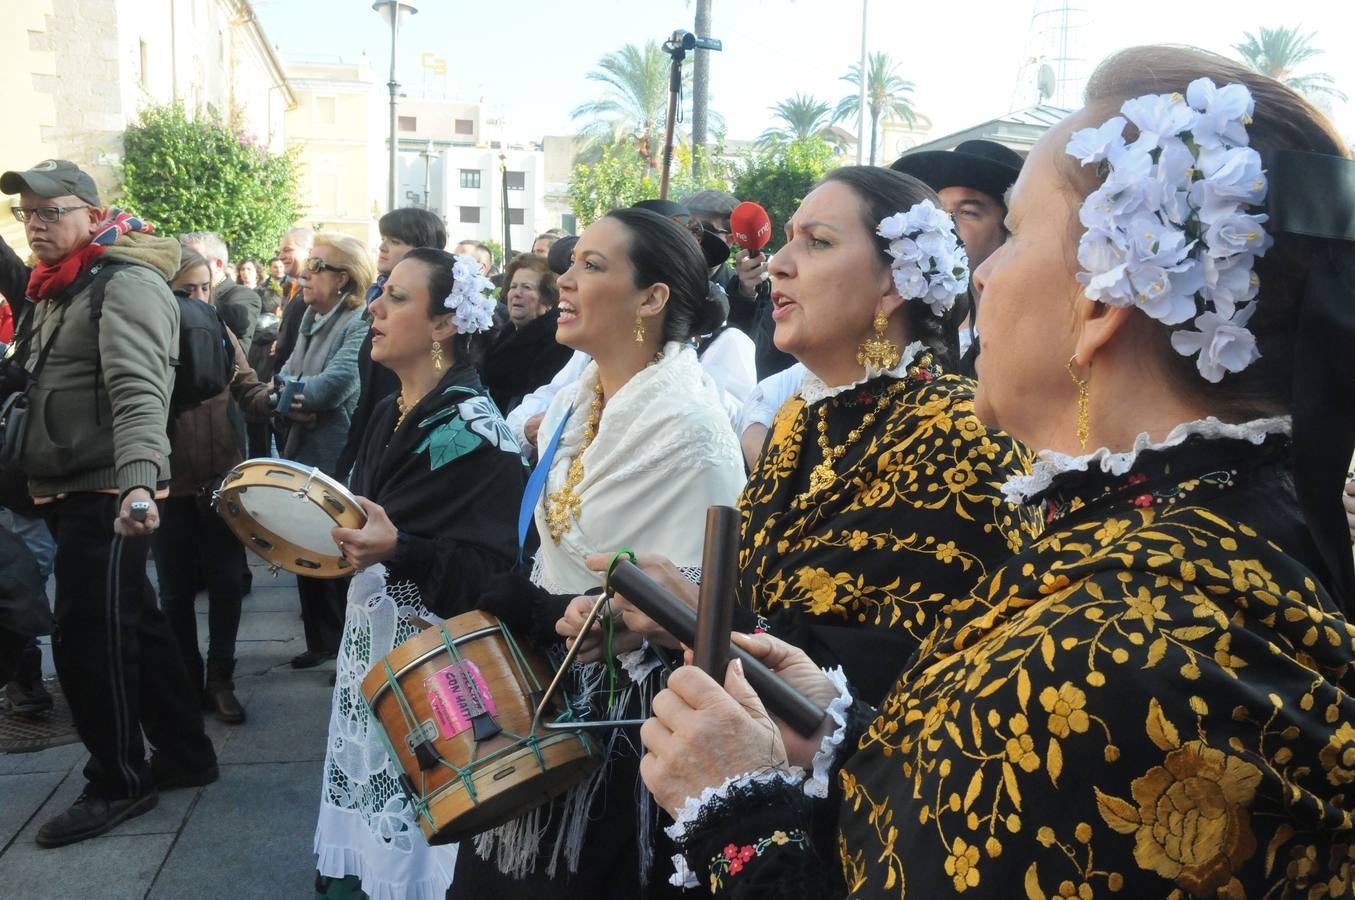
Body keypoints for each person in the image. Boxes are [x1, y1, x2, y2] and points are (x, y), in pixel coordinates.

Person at [639, 46, 1355, 897]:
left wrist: (736, 813)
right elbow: (989, 816)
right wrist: (841, 732)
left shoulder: (1122, 648)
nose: (981, 272)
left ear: (1100, 306)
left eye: (1011, 233)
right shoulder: (1161, 543)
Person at [609, 166, 1035, 708]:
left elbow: (903, 678)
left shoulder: (964, 438)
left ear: (893, 284)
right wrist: (649, 613)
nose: (779, 267)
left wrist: (698, 620)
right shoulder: (795, 421)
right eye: (788, 241)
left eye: (818, 243)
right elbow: (750, 594)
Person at [452, 208, 745, 898]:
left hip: (629, 722)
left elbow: (701, 609)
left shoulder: (691, 431)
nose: (563, 280)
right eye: (569, 262)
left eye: (591, 266)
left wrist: (583, 616)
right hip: (540, 690)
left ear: (651, 298)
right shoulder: (572, 401)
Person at [0, 160, 217, 847]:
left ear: (93, 216)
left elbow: (139, 389)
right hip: (71, 485)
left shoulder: (122, 284)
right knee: (140, 626)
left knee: (90, 640)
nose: (36, 224)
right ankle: (185, 754)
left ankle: (119, 782)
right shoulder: (60, 286)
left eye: (51, 210)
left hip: (109, 492)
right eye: (26, 214)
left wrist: (137, 483)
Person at [314, 248, 524, 900]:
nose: (374, 307)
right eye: (380, 292)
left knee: (426, 846)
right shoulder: (390, 411)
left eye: (397, 298)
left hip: (439, 672)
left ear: (443, 325)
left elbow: (494, 575)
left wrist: (400, 549)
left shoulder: (474, 431)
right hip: (377, 651)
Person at [154, 248, 274, 724]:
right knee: (175, 591)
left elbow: (245, 385)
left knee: (227, 584)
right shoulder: (154, 332)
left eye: (205, 289)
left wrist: (276, 398)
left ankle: (220, 678)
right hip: (170, 484)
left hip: (222, 480)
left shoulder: (220, 331)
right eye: (187, 291)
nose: (199, 299)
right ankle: (187, 677)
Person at [276, 232, 372, 669]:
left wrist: (298, 398)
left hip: (335, 454)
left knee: (335, 549)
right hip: (300, 448)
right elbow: (283, 375)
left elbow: (332, 387)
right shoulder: (308, 316)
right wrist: (296, 398)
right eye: (309, 263)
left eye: (317, 266)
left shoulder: (357, 323)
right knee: (301, 542)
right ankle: (319, 642)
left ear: (343, 279)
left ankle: (344, 648)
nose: (305, 273)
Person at [335, 206, 447, 481]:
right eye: (383, 238)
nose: (375, 307)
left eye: (395, 241)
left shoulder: (452, 412)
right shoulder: (388, 408)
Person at [892, 140, 1024, 375]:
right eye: (941, 213)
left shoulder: (1022, 328)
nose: (948, 226)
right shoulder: (908, 318)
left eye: (966, 212)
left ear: (1008, 227)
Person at [479, 252, 573, 415]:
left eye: (527, 287)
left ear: (547, 299)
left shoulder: (556, 343)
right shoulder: (501, 336)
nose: (516, 293)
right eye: (513, 287)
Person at [181, 231, 262, 348]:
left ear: (218, 264)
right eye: (183, 258)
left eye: (193, 259)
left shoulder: (245, 296)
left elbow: (235, 350)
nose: (184, 264)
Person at [271, 226, 314, 368]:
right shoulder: (292, 287)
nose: (281, 256)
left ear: (309, 251)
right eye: (280, 251)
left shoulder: (315, 292)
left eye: (287, 250)